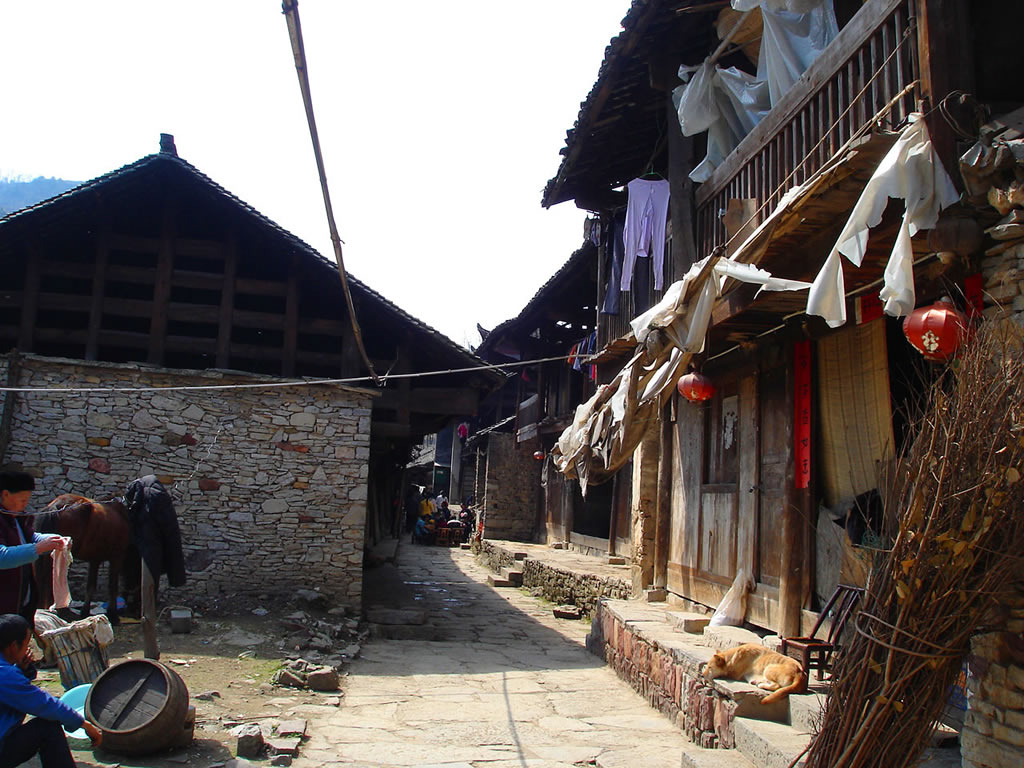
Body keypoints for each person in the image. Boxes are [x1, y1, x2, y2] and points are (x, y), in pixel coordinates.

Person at [0, 613, 102, 767]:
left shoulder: (7, 672)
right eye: (26, 645)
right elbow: (44, 704)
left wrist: (20, 670)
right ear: (14, 646)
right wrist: (84, 724)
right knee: (48, 727)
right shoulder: (5, 675)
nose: (28, 650)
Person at [0, 471, 67, 623]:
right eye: (22, 500)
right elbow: (2, 557)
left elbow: (28, 537)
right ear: (5, 494)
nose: (25, 504)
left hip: (22, 600)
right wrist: (37, 548)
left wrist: (52, 539)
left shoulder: (16, 517)